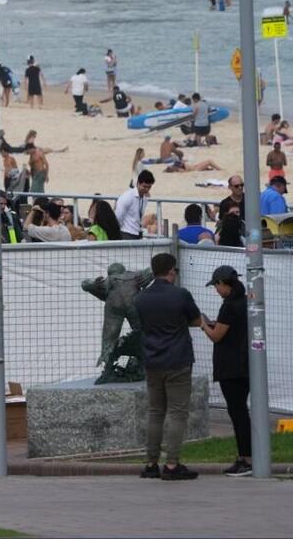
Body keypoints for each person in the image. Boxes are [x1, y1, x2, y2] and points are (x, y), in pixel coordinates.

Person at [134, 253, 202, 481]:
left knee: (155, 412)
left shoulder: (141, 299)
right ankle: (172, 464)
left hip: (153, 360)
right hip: (178, 360)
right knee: (177, 413)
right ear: (171, 270)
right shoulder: (180, 295)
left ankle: (151, 463)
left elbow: (141, 325)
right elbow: (195, 320)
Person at [199, 266, 252, 477]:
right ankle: (248, 455)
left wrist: (204, 325)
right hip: (245, 364)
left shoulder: (229, 307)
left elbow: (217, 336)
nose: (216, 290)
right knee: (241, 412)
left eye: (216, 286)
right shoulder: (245, 300)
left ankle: (245, 458)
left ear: (223, 284)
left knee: (237, 413)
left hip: (231, 367)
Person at [115, 170, 154, 239]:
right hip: (126, 233)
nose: (147, 190)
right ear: (138, 183)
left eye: (149, 187)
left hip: (138, 233)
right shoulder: (127, 197)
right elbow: (118, 217)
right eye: (144, 186)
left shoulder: (145, 198)